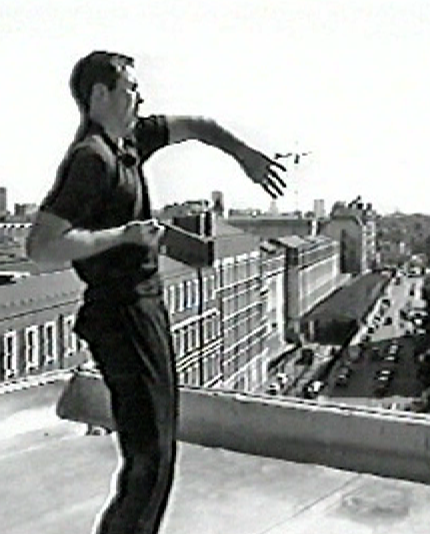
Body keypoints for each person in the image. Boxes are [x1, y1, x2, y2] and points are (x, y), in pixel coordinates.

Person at [26, 50, 287, 534]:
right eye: (130, 88)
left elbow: (198, 126)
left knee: (159, 448)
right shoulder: (93, 159)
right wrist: (122, 236)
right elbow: (42, 244)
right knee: (149, 456)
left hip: (145, 306)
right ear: (99, 96)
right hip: (118, 313)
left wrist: (245, 155)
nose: (140, 97)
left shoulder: (130, 141)